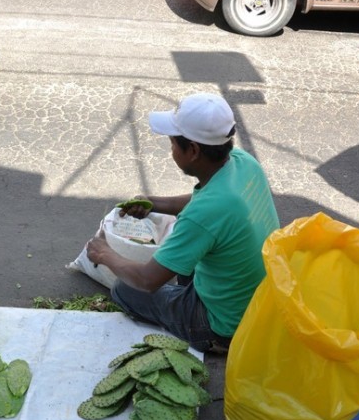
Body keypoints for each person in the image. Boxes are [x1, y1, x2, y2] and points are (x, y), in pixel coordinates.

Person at [86, 93, 279, 353]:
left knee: (124, 289)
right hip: (260, 303)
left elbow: (147, 280)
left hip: (225, 327)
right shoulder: (244, 163)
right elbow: (203, 205)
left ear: (194, 151)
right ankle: (186, 294)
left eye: (173, 144)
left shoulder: (205, 213)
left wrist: (104, 254)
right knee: (186, 245)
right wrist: (153, 203)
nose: (171, 151)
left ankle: (207, 334)